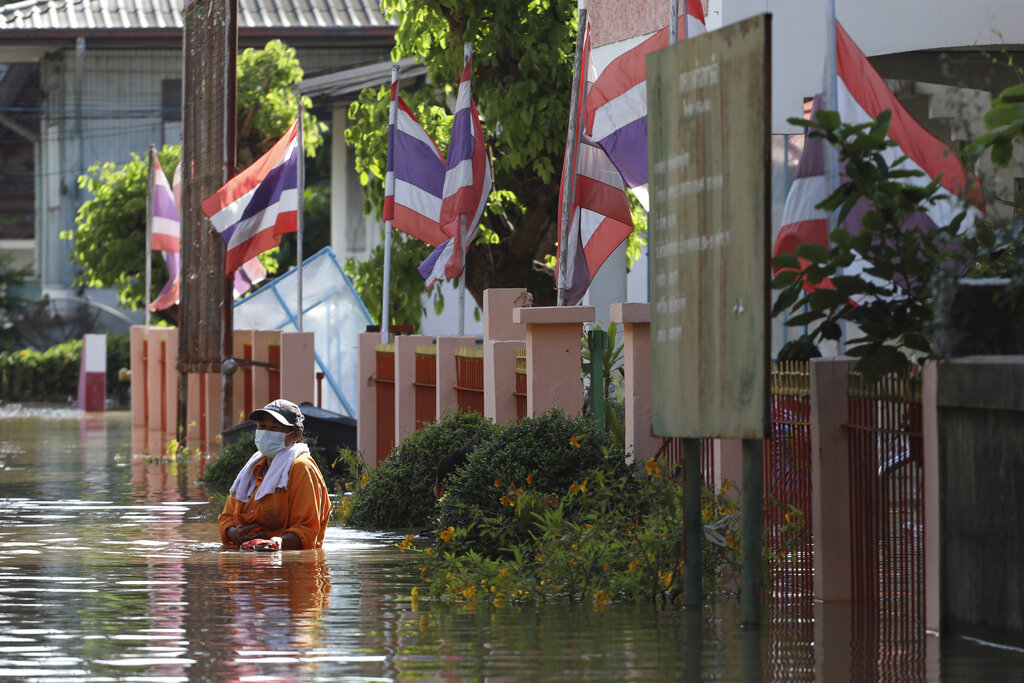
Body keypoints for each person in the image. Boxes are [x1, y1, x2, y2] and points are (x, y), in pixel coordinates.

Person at [218, 399, 331, 550]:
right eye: (262, 427)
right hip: (249, 559)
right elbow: (226, 518)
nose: (266, 433)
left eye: (275, 428)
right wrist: (233, 533)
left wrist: (275, 544)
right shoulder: (252, 469)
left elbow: (307, 529)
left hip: (287, 566)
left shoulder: (301, 467)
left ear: (295, 435)